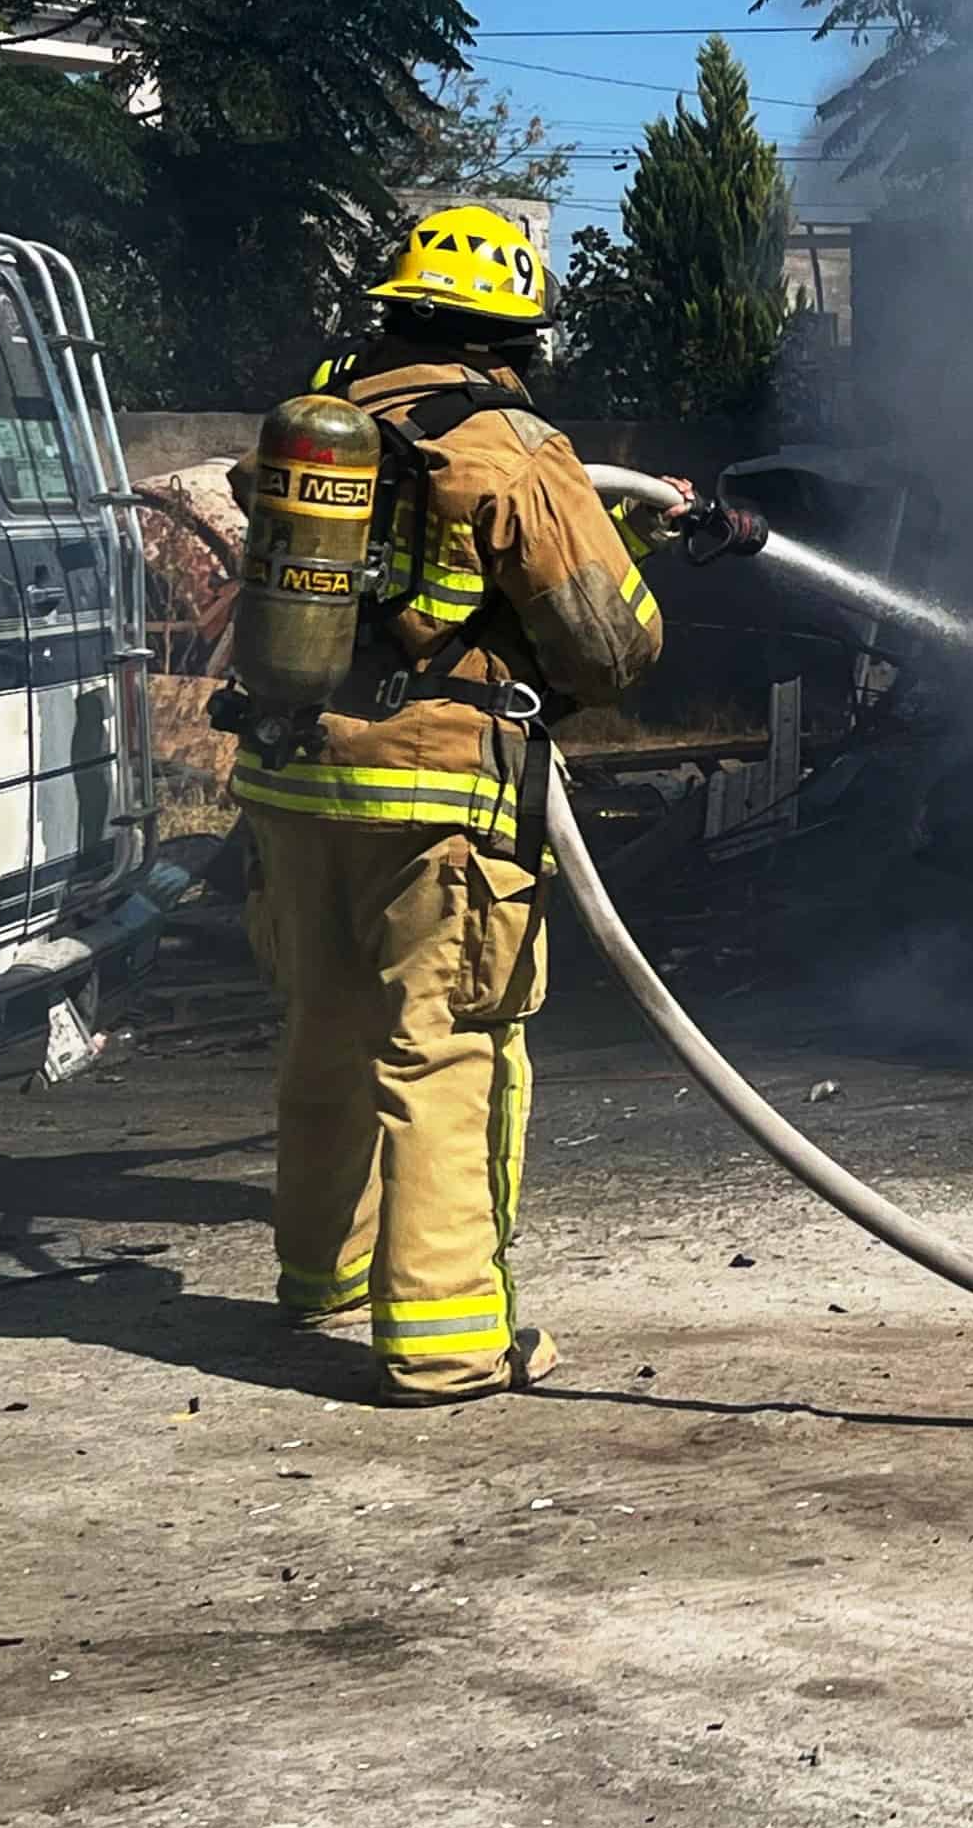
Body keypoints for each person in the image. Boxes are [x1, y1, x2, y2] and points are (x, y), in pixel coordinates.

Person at [232, 205, 682, 1402]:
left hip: (291, 778)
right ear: (512, 334)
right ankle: (449, 1342)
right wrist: (628, 562)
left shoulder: (328, 419)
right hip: (435, 799)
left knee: (326, 1027)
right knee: (445, 1049)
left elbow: (401, 578)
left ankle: (316, 1278)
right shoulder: (509, 441)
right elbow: (606, 646)